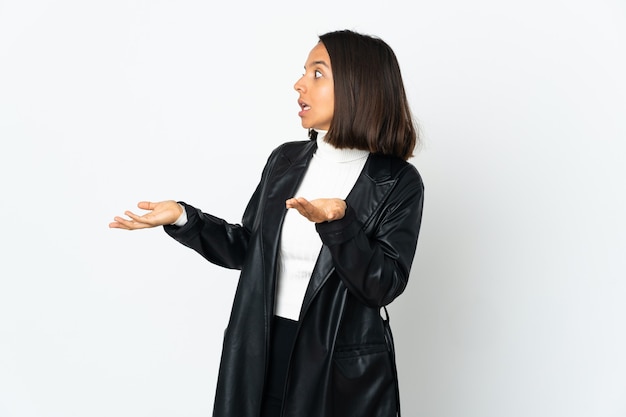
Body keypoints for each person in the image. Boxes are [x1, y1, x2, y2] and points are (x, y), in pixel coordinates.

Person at [110, 29, 424, 417]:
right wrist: (184, 217)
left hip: (335, 371)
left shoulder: (397, 182)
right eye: (304, 72)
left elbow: (382, 285)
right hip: (259, 352)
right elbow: (247, 247)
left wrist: (340, 225)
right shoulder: (285, 161)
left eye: (317, 74)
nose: (299, 84)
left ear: (359, 86)